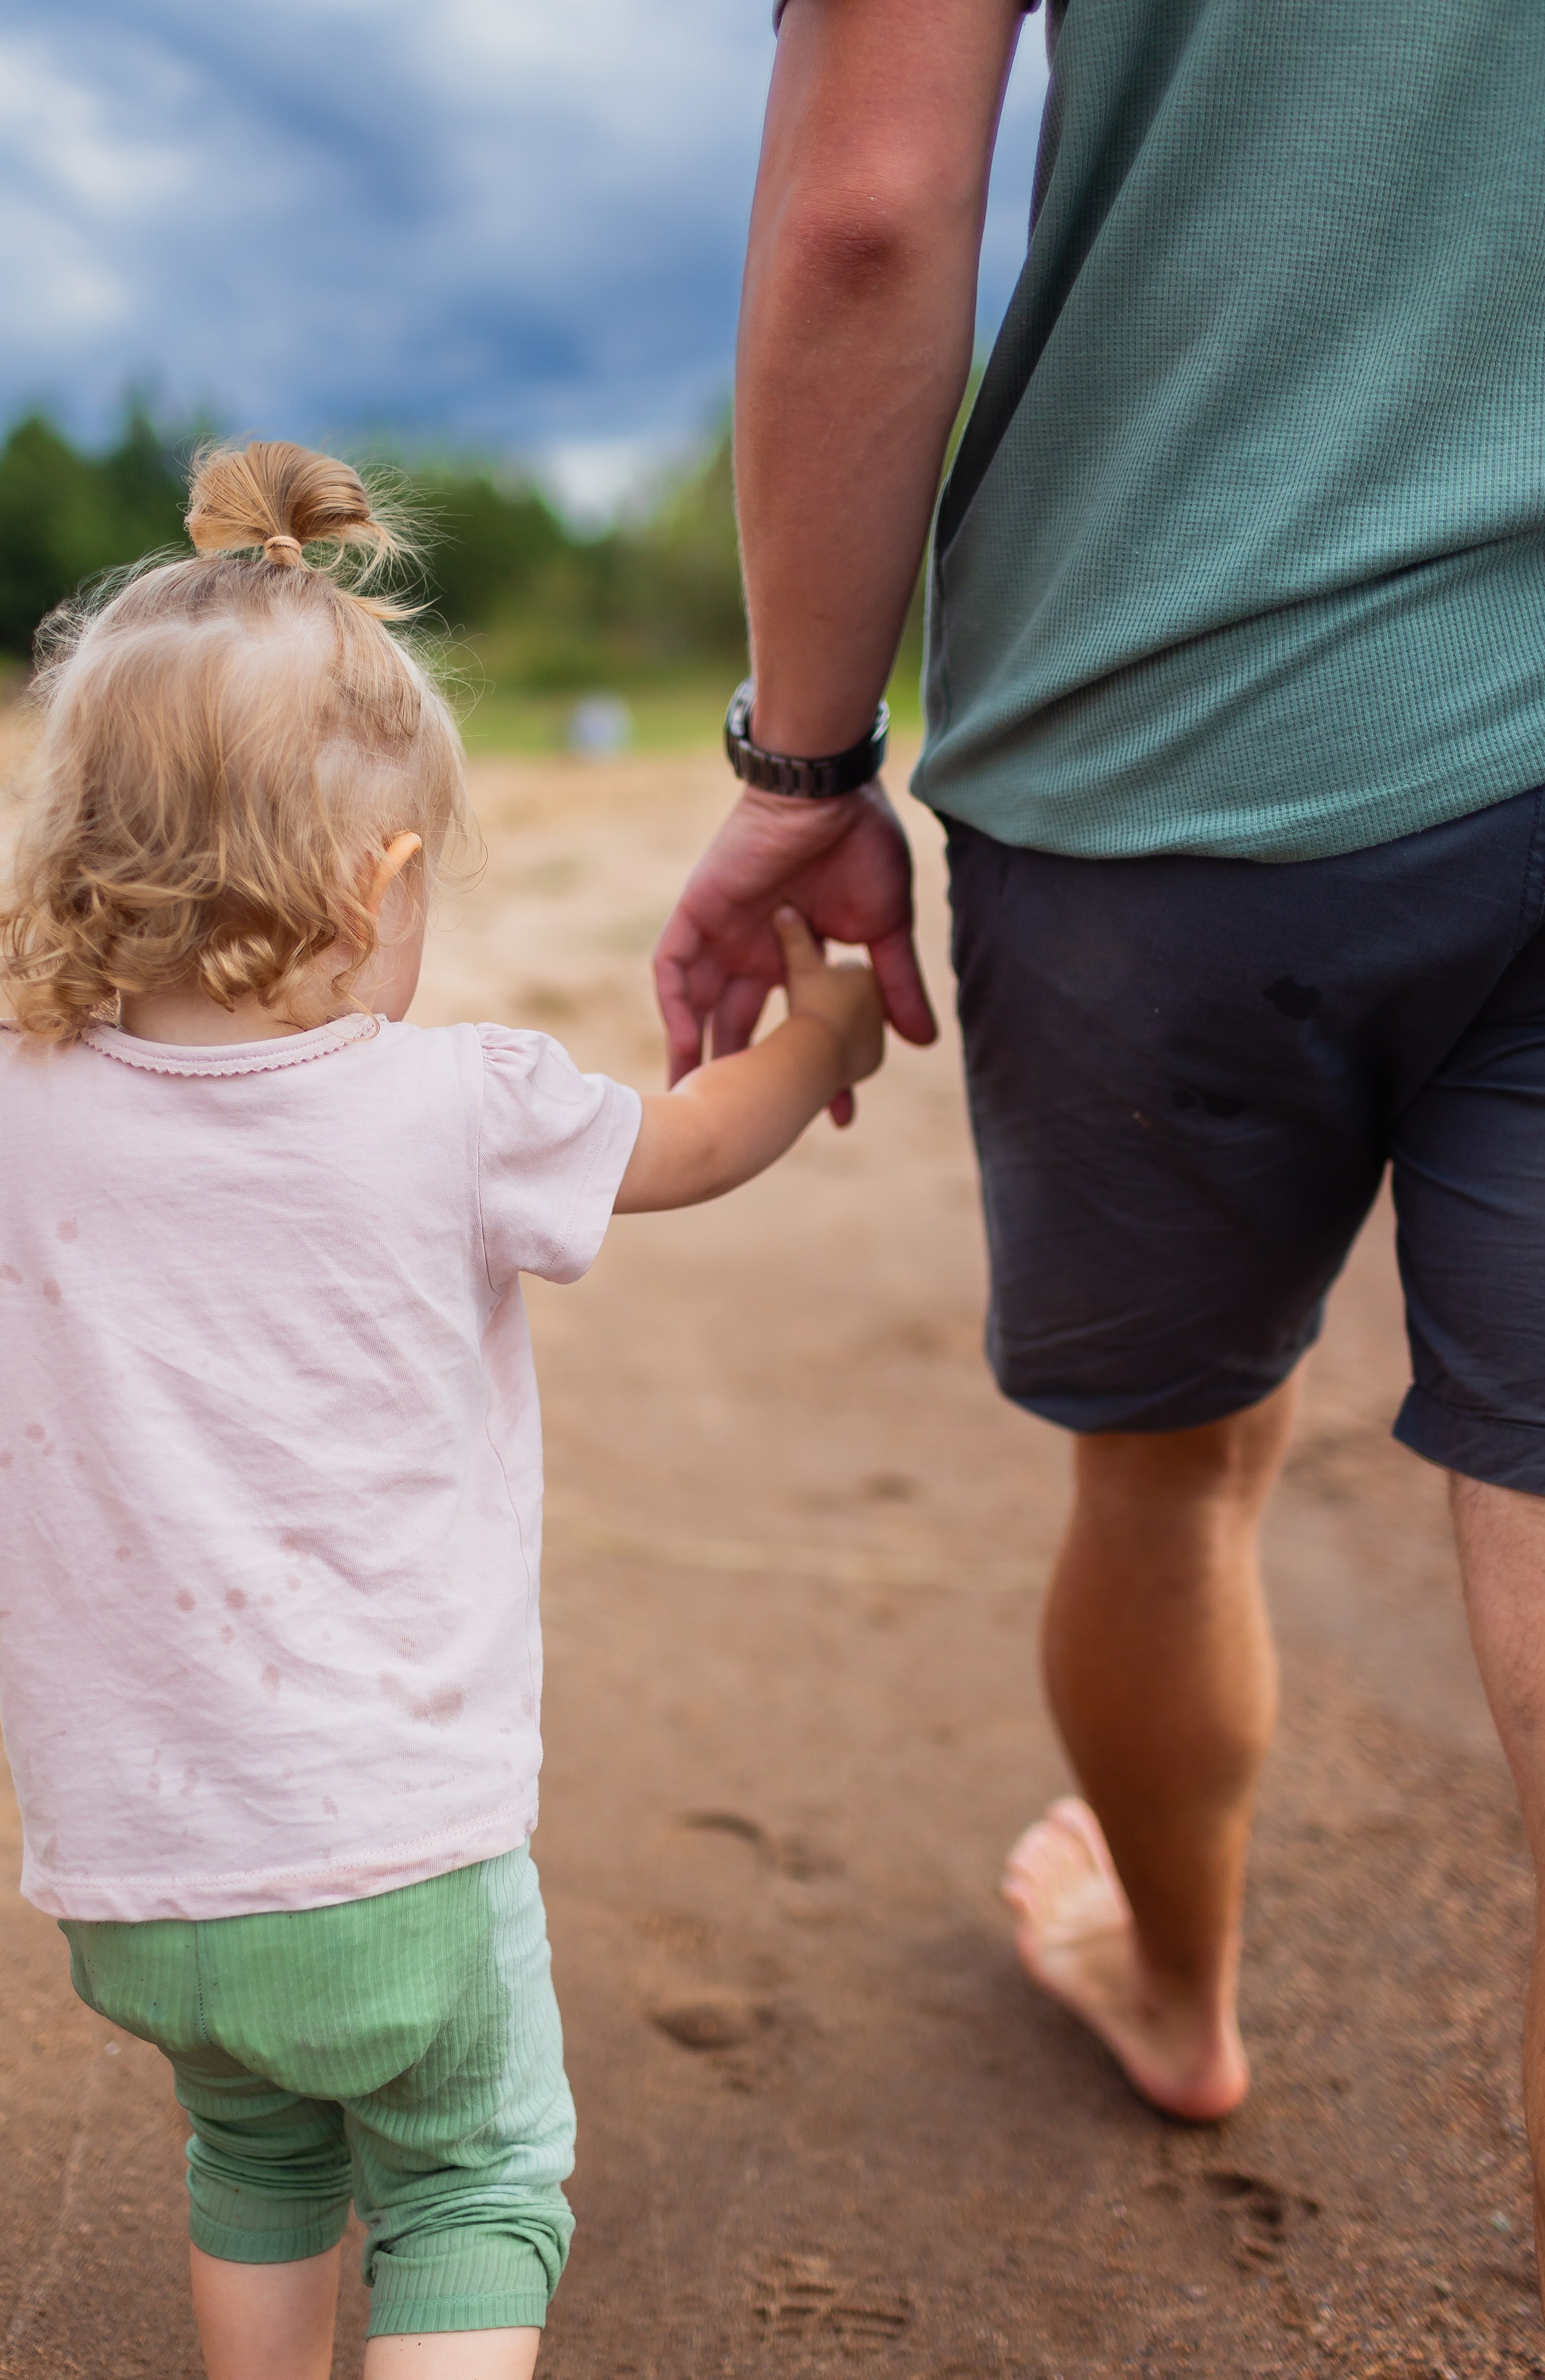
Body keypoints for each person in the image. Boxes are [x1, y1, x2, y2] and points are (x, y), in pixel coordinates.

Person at [654, 0, 1545, 2224]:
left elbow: (869, 210)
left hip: (1175, 731)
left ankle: (1180, 1986)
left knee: (1175, 1473)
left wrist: (805, 763)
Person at [0, 440, 883, 2380]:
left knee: (258, 2155)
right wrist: (822, 1032)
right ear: (381, 881)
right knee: (475, 2191)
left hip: (136, 1877)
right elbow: (700, 1145)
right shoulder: (452, 1102)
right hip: (401, 1855)